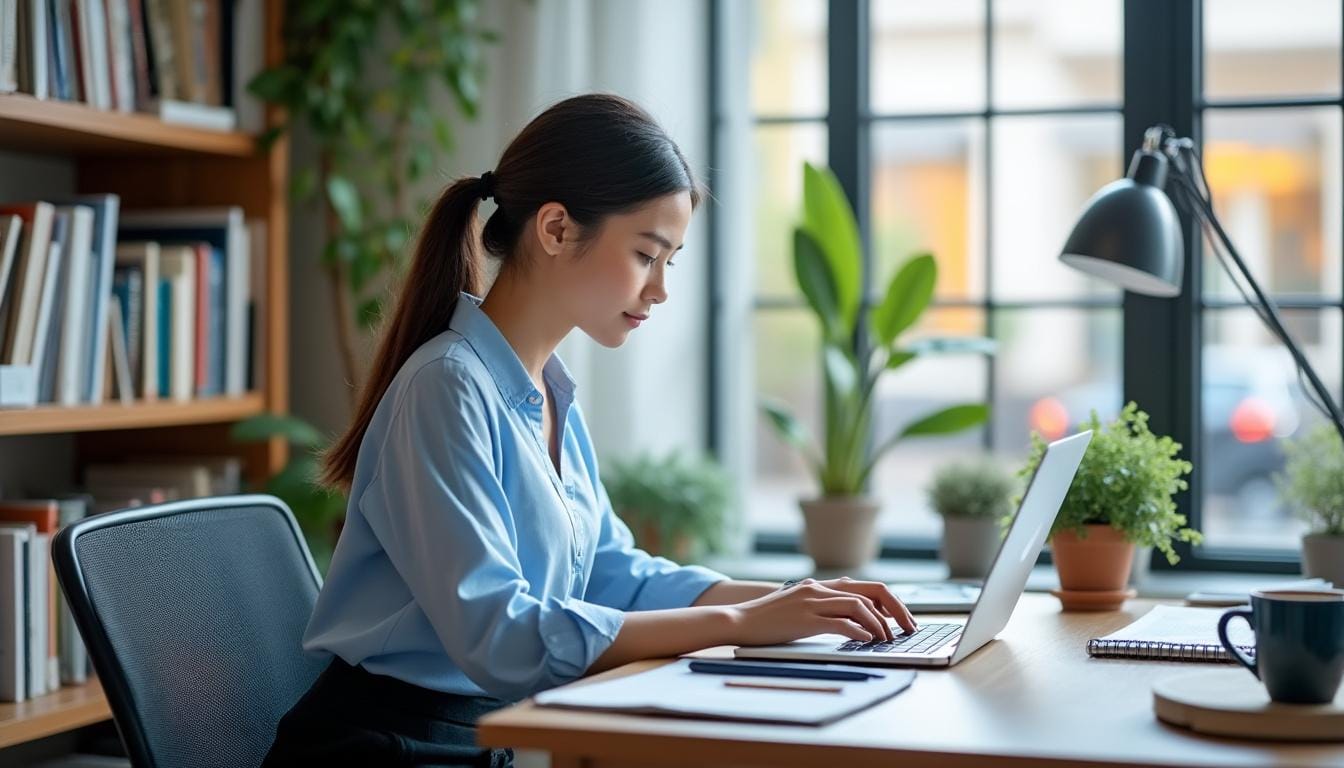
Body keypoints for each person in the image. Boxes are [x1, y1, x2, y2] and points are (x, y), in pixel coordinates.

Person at [263, 93, 917, 767]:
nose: (661, 288)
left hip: (481, 738)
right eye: (646, 253)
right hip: (385, 748)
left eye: (671, 260)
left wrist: (792, 601)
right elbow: (503, 636)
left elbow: (612, 574)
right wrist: (740, 623)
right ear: (554, 229)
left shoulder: (548, 393)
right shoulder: (445, 388)